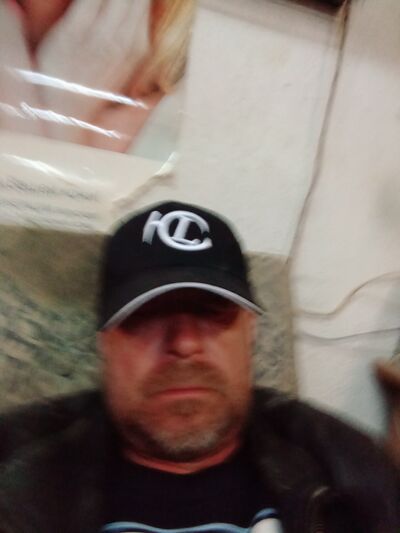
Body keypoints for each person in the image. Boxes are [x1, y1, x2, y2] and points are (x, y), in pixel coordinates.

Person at [0, 200, 398, 533]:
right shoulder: (16, 466)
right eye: (148, 314)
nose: (185, 343)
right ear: (105, 342)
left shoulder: (349, 469)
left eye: (211, 311)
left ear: (250, 332)